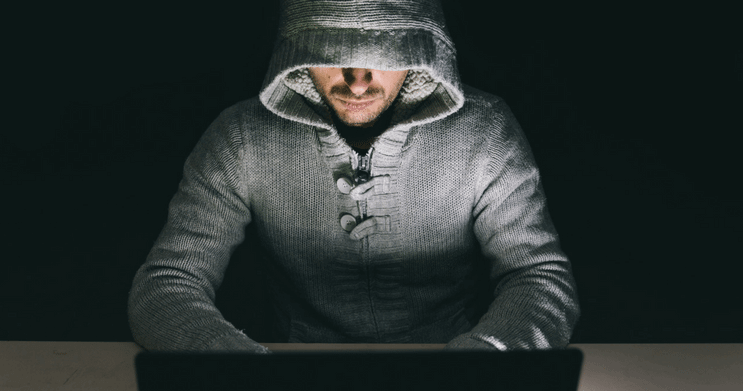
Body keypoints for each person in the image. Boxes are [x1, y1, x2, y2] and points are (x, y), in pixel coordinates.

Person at [128, 0, 580, 353]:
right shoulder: (240, 137)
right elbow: (167, 282)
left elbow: (538, 276)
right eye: (331, 56)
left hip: (450, 361)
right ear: (297, 53)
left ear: (419, 52)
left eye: (382, 56)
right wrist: (245, 370)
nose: (357, 81)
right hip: (291, 368)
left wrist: (474, 365)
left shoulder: (485, 131)